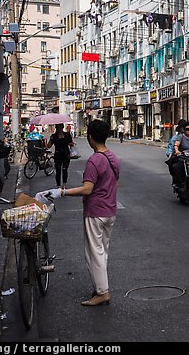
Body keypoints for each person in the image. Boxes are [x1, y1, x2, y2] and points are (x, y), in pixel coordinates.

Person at [35, 119, 120, 306]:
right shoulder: (113, 157)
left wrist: (61, 192)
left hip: (95, 212)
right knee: (102, 251)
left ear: (90, 137)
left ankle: (102, 292)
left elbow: (87, 189)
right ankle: (100, 285)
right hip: (110, 211)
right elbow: (115, 183)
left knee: (94, 253)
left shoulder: (94, 160)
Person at [47, 123, 75, 189]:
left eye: (60, 127)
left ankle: (64, 184)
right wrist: (50, 140)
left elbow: (71, 144)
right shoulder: (53, 136)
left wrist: (72, 144)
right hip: (58, 154)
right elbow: (48, 146)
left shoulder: (67, 135)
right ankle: (58, 185)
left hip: (66, 154)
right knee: (58, 170)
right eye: (58, 127)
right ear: (56, 128)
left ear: (62, 127)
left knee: (65, 169)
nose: (59, 129)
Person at [165, 119, 187, 183]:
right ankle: (177, 181)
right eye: (183, 128)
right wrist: (171, 155)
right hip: (180, 157)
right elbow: (170, 148)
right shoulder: (175, 138)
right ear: (180, 129)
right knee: (174, 167)